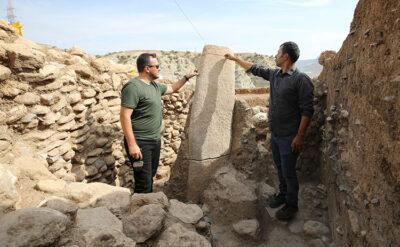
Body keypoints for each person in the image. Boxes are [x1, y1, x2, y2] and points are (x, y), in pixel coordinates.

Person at [225, 42, 314, 221]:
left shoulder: (301, 80)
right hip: (276, 135)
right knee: (280, 168)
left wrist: (299, 136)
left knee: (289, 172)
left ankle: (291, 205)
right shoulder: (275, 75)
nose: (275, 55)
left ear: (286, 56)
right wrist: (235, 59)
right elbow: (255, 68)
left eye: (278, 53)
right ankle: (282, 195)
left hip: (290, 137)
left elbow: (307, 111)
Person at [120, 53, 198, 193]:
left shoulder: (155, 86)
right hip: (140, 141)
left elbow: (173, 88)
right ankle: (142, 210)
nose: (159, 68)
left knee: (149, 176)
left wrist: (186, 77)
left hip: (154, 140)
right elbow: (125, 116)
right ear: (147, 68)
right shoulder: (133, 87)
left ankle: (146, 206)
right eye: (157, 66)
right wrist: (132, 144)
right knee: (143, 182)